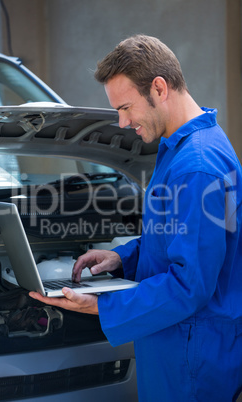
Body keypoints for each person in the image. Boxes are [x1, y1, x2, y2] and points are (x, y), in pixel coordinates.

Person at [29, 35, 242, 401]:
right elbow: (173, 236)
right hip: (179, 342)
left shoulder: (197, 166)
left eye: (126, 107)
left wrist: (103, 305)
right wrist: (122, 258)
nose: (122, 122)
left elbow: (190, 285)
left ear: (159, 88)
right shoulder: (181, 147)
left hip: (191, 354)